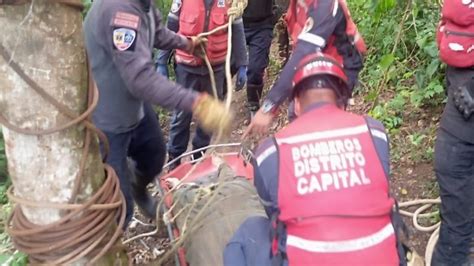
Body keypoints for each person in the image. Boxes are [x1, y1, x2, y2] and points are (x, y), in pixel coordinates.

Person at [224, 53, 405, 265]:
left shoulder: (269, 152)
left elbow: (276, 215)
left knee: (250, 229)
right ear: (343, 101)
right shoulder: (375, 132)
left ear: (297, 105)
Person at [83, 0, 231, 228]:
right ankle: (116, 241)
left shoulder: (144, 5)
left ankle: (138, 188)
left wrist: (187, 43)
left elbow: (158, 33)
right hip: (108, 119)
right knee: (119, 205)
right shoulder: (120, 11)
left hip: (134, 107)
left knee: (154, 156)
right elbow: (141, 79)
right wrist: (197, 103)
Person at [244, 0, 366, 136]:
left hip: (338, 67)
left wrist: (269, 106)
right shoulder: (298, 3)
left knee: (317, 119)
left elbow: (304, 51)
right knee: (295, 113)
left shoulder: (324, 5)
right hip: (314, 62)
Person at [156, 0, 248, 169]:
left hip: (216, 68)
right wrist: (161, 61)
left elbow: (237, 29)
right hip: (186, 67)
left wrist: (243, 63)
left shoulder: (230, 2)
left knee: (209, 116)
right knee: (182, 115)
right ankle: (174, 160)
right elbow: (170, 28)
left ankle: (198, 158)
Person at [431, 2, 474, 265]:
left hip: (454, 140)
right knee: (457, 234)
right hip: (459, 145)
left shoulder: (456, 24)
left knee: (456, 230)